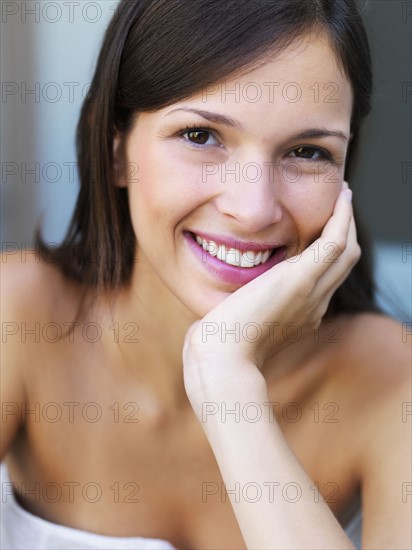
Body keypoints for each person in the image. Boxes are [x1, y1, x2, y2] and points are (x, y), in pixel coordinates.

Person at [1, 0, 410, 549]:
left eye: (307, 151)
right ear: (115, 145)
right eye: (200, 136)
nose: (254, 207)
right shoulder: (19, 315)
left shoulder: (389, 376)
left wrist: (228, 380)